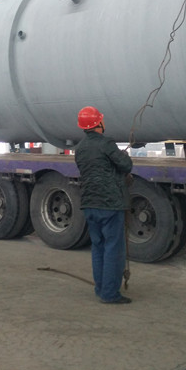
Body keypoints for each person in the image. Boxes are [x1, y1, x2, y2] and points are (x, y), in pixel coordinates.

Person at [74, 106, 134, 304]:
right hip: (110, 205)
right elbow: (126, 166)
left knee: (98, 247)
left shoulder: (80, 148)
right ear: (98, 123)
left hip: (89, 204)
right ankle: (109, 294)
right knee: (113, 249)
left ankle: (101, 289)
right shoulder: (106, 143)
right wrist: (123, 156)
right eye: (102, 118)